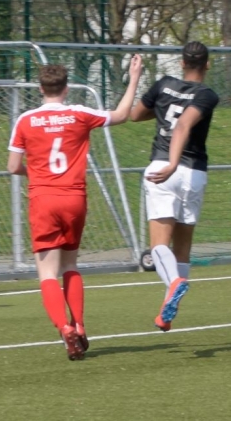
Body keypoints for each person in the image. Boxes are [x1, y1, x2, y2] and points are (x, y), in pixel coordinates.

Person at [8, 57, 144, 360]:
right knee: (70, 265)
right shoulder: (79, 114)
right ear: (66, 88)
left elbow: (13, 166)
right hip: (74, 198)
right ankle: (79, 323)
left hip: (43, 199)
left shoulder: (26, 120)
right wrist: (134, 76)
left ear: (40, 88)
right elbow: (122, 115)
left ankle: (64, 328)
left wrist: (37, 173)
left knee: (47, 273)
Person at [129, 42, 219, 332]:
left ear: (181, 63)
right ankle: (168, 313)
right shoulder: (207, 94)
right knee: (182, 251)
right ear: (207, 64)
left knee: (158, 246)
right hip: (194, 173)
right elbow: (182, 123)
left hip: (163, 168)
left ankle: (175, 284)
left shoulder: (163, 84)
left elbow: (136, 115)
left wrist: (170, 163)